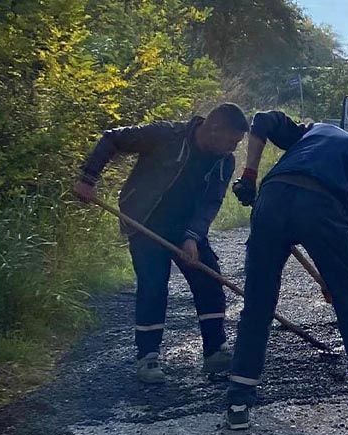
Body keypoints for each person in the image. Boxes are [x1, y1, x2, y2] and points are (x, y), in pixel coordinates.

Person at [223, 111, 348, 430]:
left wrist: (250, 174)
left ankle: (238, 401)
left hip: (271, 199)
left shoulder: (317, 131)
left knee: (258, 305)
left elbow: (262, 120)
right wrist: (338, 279)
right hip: (321, 205)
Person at [73, 104, 248, 383]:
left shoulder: (224, 162)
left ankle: (215, 352)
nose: (233, 148)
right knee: (153, 286)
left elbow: (210, 203)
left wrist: (192, 236)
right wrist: (88, 179)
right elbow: (112, 138)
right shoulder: (166, 135)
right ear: (214, 129)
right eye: (231, 141)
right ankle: (148, 359)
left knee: (209, 282)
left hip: (185, 227)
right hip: (146, 221)